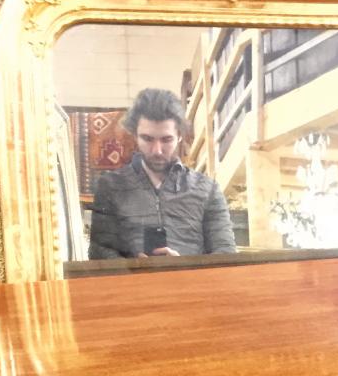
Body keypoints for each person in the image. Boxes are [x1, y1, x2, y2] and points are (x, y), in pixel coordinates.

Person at [88, 88, 237, 259]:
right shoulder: (110, 186)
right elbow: (99, 253)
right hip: (132, 284)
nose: (157, 150)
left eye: (166, 139)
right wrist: (132, 268)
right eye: (147, 139)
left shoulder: (208, 189)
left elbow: (226, 254)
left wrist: (181, 267)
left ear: (180, 136)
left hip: (191, 285)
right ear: (135, 136)